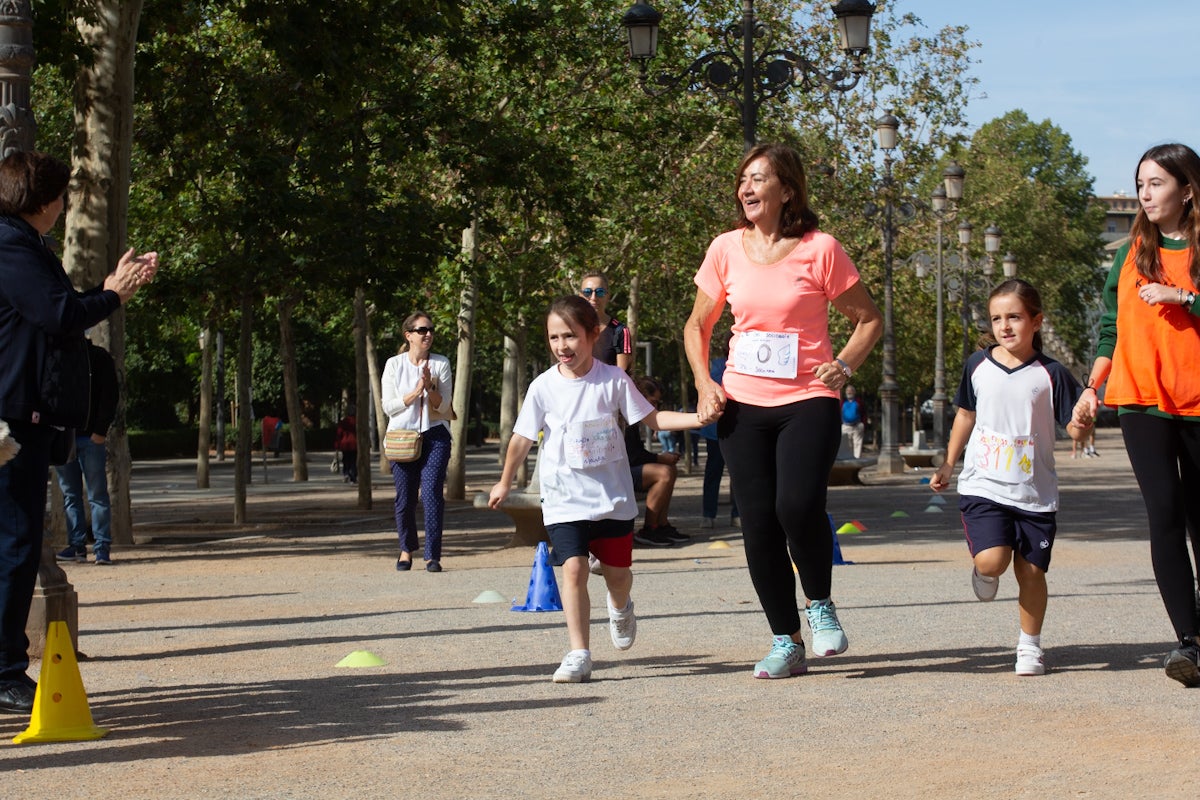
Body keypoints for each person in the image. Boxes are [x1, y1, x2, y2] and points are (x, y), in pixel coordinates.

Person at [683, 143, 883, 679]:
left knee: (796, 506)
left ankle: (819, 604)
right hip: (742, 405)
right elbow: (697, 326)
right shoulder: (725, 248)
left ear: (787, 190)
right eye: (742, 180)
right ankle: (785, 639)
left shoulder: (820, 249)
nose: (746, 189)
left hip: (807, 400)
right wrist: (705, 384)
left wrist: (844, 364)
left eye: (758, 179)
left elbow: (868, 319)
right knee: (758, 525)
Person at [0, 150, 157, 715]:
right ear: (43, 202)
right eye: (62, 197)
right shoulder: (11, 247)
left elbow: (57, 310)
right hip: (13, 422)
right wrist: (114, 293)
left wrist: (111, 288)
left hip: (25, 416)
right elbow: (60, 315)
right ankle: (5, 671)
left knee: (16, 545)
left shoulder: (24, 246)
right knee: (16, 544)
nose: (66, 207)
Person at [489, 295, 710, 683]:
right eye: (554, 338)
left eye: (570, 336)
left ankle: (621, 605)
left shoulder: (613, 380)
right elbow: (522, 438)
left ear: (593, 335)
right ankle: (578, 653)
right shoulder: (543, 387)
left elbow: (653, 419)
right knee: (572, 569)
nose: (562, 346)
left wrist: (698, 418)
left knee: (618, 576)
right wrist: (505, 480)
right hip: (563, 498)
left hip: (611, 500)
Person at [1072, 142, 1200, 688]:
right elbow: (1111, 328)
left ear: (1187, 190)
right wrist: (1092, 387)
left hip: (1197, 402)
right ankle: (1187, 643)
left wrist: (1184, 297)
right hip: (1141, 400)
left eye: (1157, 185)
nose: (1145, 195)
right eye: (1140, 184)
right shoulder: (1129, 253)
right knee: (1164, 513)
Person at [931, 279, 1086, 676]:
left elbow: (1073, 427)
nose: (1005, 325)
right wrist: (949, 462)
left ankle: (1030, 647)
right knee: (993, 561)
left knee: (1031, 571)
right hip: (984, 484)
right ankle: (983, 569)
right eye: (997, 318)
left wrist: (1082, 424)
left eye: (1015, 316)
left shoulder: (1052, 373)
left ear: (1036, 321)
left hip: (1035, 492)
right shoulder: (977, 365)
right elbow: (966, 414)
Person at [382, 311, 454, 573]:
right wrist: (414, 392)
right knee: (405, 497)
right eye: (422, 330)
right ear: (408, 335)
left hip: (435, 435)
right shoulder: (394, 365)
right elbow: (388, 406)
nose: (428, 334)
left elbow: (444, 405)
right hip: (402, 436)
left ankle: (432, 555)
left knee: (433, 493)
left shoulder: (440, 363)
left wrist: (430, 388)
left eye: (431, 330)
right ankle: (406, 549)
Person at [54, 340, 119, 564]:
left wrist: (100, 430)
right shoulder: (58, 357)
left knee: (96, 494)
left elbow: (110, 395)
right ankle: (77, 545)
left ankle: (101, 546)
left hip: (90, 436)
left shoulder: (98, 357)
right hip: (66, 436)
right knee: (70, 494)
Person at [624, 376, 688, 547]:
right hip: (618, 473)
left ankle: (661, 524)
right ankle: (648, 529)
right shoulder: (625, 417)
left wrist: (662, 458)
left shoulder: (634, 419)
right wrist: (659, 458)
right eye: (652, 402)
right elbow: (632, 456)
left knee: (669, 469)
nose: (655, 408)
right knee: (664, 473)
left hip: (627, 469)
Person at [699, 330, 739, 529]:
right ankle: (708, 515)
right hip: (716, 431)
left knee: (739, 474)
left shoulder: (747, 367)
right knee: (713, 472)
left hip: (739, 429)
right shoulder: (717, 366)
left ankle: (738, 515)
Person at [580, 271, 633, 372]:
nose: (593, 297)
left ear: (607, 296)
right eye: (587, 292)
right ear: (580, 295)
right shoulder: (571, 328)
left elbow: (621, 374)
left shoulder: (620, 331)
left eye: (600, 292)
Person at [334, 404, 358, 484]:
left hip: (345, 445)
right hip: (355, 444)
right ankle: (353, 477)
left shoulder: (343, 422)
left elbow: (339, 434)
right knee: (353, 461)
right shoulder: (357, 422)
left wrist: (337, 446)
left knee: (346, 460)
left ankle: (346, 473)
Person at [840, 384, 865, 458]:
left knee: (857, 444)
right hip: (845, 426)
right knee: (847, 444)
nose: (849, 392)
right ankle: (850, 459)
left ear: (854, 392)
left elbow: (863, 413)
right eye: (847, 391)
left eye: (851, 391)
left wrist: (863, 424)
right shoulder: (842, 403)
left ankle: (857, 460)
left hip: (857, 426)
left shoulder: (859, 402)